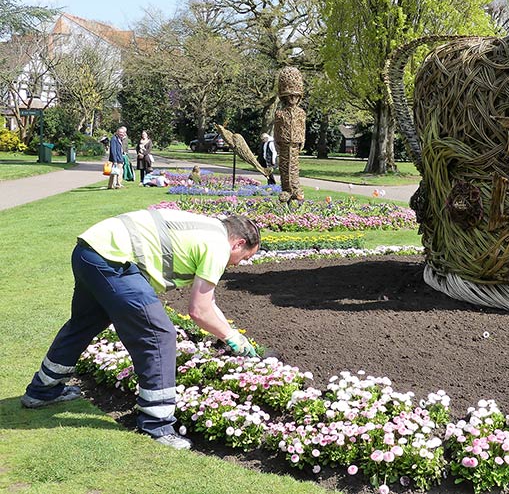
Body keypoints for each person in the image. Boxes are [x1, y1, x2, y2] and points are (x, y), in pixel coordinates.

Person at [21, 210, 261, 450]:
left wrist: (234, 335)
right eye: (245, 256)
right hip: (113, 261)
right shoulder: (218, 247)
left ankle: (42, 391)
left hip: (89, 251)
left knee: (84, 324)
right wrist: (230, 337)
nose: (240, 263)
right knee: (158, 335)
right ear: (238, 242)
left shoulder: (209, 230)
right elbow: (199, 310)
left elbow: (209, 303)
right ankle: (157, 425)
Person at [273, 67, 306, 201]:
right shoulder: (280, 114)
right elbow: (276, 128)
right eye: (290, 96)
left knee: (294, 166)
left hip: (296, 142)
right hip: (284, 142)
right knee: (284, 166)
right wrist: (276, 141)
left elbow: (302, 127)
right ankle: (286, 189)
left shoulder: (301, 113)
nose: (293, 99)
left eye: (295, 96)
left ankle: (295, 189)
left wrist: (302, 139)